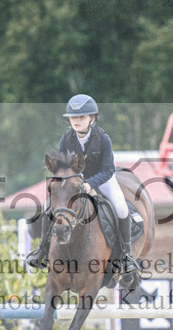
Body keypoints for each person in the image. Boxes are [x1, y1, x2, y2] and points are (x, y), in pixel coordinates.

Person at [26, 94, 138, 275]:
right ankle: (42, 250)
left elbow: (108, 170)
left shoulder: (103, 139)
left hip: (102, 179)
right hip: (74, 183)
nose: (76, 121)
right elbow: (63, 167)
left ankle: (126, 255)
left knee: (121, 208)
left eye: (81, 117)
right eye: (73, 117)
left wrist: (89, 185)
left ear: (91, 119)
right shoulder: (66, 138)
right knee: (50, 207)